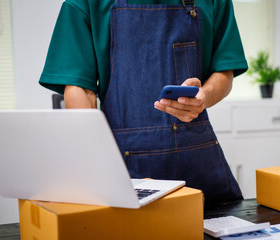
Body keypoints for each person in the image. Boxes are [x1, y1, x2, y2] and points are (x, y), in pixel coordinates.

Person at [39, 0, 248, 204]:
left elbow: (224, 71)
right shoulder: (84, 3)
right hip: (122, 165)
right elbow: (79, 87)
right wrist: (93, 159)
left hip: (196, 166)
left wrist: (204, 96)